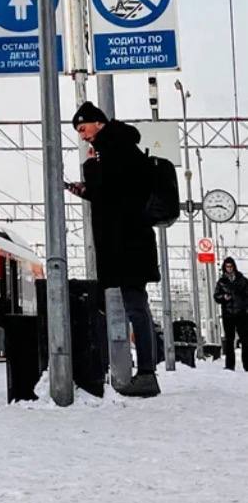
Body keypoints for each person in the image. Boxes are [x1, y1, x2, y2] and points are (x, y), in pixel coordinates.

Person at [67, 100, 161, 398]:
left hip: (127, 244)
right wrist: (86, 188)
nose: (82, 136)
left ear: (97, 122)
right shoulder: (117, 147)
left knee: (135, 305)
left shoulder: (116, 148)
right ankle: (145, 371)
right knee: (136, 304)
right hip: (128, 241)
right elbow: (111, 194)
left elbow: (114, 195)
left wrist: (91, 169)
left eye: (83, 128)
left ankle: (147, 374)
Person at [214, 256, 248, 371]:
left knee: (245, 339)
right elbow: (216, 296)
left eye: (231, 266)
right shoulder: (221, 281)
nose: (229, 268)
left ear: (234, 267)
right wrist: (223, 297)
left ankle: (247, 364)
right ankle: (229, 365)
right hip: (228, 314)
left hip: (241, 314)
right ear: (224, 267)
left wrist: (244, 306)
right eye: (227, 266)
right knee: (229, 340)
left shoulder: (242, 280)